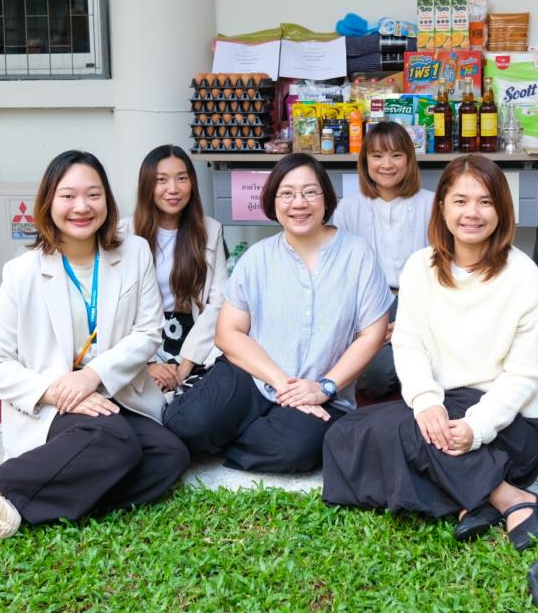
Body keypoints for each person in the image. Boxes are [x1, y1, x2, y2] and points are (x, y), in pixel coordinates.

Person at [0, 151, 188, 552]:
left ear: (107, 201)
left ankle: (20, 502)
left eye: (93, 195)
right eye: (68, 196)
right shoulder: (23, 272)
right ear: (48, 203)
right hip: (52, 405)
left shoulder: (134, 252)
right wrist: (55, 391)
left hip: (115, 393)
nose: (82, 207)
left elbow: (148, 332)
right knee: (114, 439)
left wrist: (92, 376)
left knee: (168, 455)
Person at [323, 155, 538, 549]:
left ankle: (512, 498)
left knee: (411, 436)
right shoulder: (419, 267)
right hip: (446, 407)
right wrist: (426, 402)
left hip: (511, 424)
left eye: (485, 201)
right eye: (460, 200)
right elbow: (408, 343)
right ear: (442, 206)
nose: (472, 213)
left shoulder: (524, 275)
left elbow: (524, 377)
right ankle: (477, 497)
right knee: (342, 434)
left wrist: (476, 428)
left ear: (501, 209)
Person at [163, 153, 393, 472]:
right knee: (186, 424)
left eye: (310, 192)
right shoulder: (258, 257)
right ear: (273, 201)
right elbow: (227, 333)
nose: (299, 203)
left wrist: (325, 387)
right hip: (254, 374)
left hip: (319, 386)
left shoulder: (357, 254)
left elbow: (372, 335)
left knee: (293, 450)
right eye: (287, 193)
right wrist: (281, 382)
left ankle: (238, 430)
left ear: (326, 198)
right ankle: (248, 421)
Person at [331, 122, 435, 397]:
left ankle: (419, 362)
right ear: (365, 161)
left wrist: (407, 324)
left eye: (396, 155)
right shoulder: (349, 208)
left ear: (409, 159)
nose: (386, 164)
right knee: (374, 378)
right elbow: (339, 275)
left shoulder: (432, 204)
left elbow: (445, 272)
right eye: (377, 156)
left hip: (420, 302)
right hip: (369, 303)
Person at [118, 145, 227, 392]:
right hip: (143, 340)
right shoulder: (123, 233)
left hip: (196, 340)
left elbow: (218, 302)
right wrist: (148, 363)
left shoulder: (211, 230)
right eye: (161, 180)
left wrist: (185, 365)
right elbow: (117, 308)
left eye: (182, 178)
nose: (173, 189)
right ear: (147, 185)